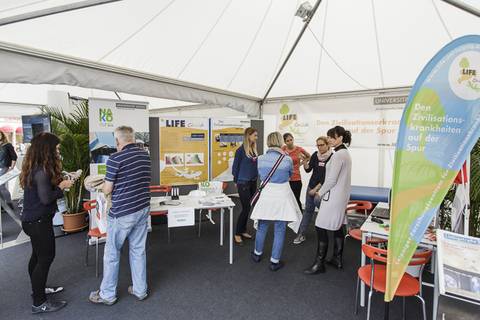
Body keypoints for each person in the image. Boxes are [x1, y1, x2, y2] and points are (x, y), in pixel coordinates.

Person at [89, 126, 151, 305]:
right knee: (138, 250)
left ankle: (107, 294)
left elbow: (108, 188)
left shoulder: (115, 158)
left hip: (122, 212)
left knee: (112, 253)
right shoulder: (144, 155)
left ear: (117, 141)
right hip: (142, 208)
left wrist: (97, 185)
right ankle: (140, 290)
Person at [19, 133, 75, 314]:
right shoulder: (41, 171)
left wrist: (61, 181)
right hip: (38, 222)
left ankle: (38, 290)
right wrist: (61, 187)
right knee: (45, 258)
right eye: (56, 149)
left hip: (31, 221)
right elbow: (45, 199)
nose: (58, 152)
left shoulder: (35, 167)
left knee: (37, 257)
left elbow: (42, 191)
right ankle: (39, 303)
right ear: (47, 149)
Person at [250, 132, 302, 271]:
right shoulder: (287, 159)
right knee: (280, 228)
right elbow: (290, 175)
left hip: (266, 194)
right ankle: (274, 261)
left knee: (262, 226)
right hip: (282, 195)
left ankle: (257, 254)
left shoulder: (260, 159)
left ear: (268, 142)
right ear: (280, 142)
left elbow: (260, 175)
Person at [304, 126, 352, 274]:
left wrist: (320, 192)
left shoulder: (338, 155)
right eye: (329, 137)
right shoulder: (345, 153)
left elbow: (331, 179)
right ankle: (337, 259)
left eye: (332, 137)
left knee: (319, 225)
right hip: (341, 196)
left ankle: (319, 263)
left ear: (340, 138)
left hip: (333, 196)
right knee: (338, 226)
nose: (330, 139)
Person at [293, 136, 332, 244]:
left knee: (324, 211)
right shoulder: (315, 155)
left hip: (322, 190)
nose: (319, 147)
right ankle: (301, 234)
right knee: (308, 211)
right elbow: (308, 170)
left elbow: (327, 177)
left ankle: (328, 231)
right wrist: (305, 162)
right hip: (311, 187)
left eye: (322, 145)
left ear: (327, 145)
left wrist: (316, 190)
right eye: (318, 145)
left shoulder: (332, 157)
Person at [232, 127, 258, 245]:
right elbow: (235, 168)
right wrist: (237, 181)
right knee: (245, 208)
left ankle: (243, 231)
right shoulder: (240, 151)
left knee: (249, 207)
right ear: (248, 136)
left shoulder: (253, 150)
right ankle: (237, 234)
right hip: (243, 183)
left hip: (253, 182)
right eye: (255, 135)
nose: (256, 137)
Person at [282, 133, 310, 212]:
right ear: (285, 142)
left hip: (296, 179)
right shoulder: (283, 149)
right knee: (287, 200)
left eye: (291, 140)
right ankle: (289, 218)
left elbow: (309, 156)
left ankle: (300, 218)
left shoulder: (299, 149)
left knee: (296, 199)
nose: (290, 142)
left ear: (293, 139)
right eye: (287, 141)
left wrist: (300, 164)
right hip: (285, 179)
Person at [0, 130, 18, 211]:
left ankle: (9, 204)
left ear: (2, 135)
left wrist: (11, 168)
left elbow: (14, 156)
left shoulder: (8, 145)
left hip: (4, 167)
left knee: (1, 186)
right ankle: (2, 204)